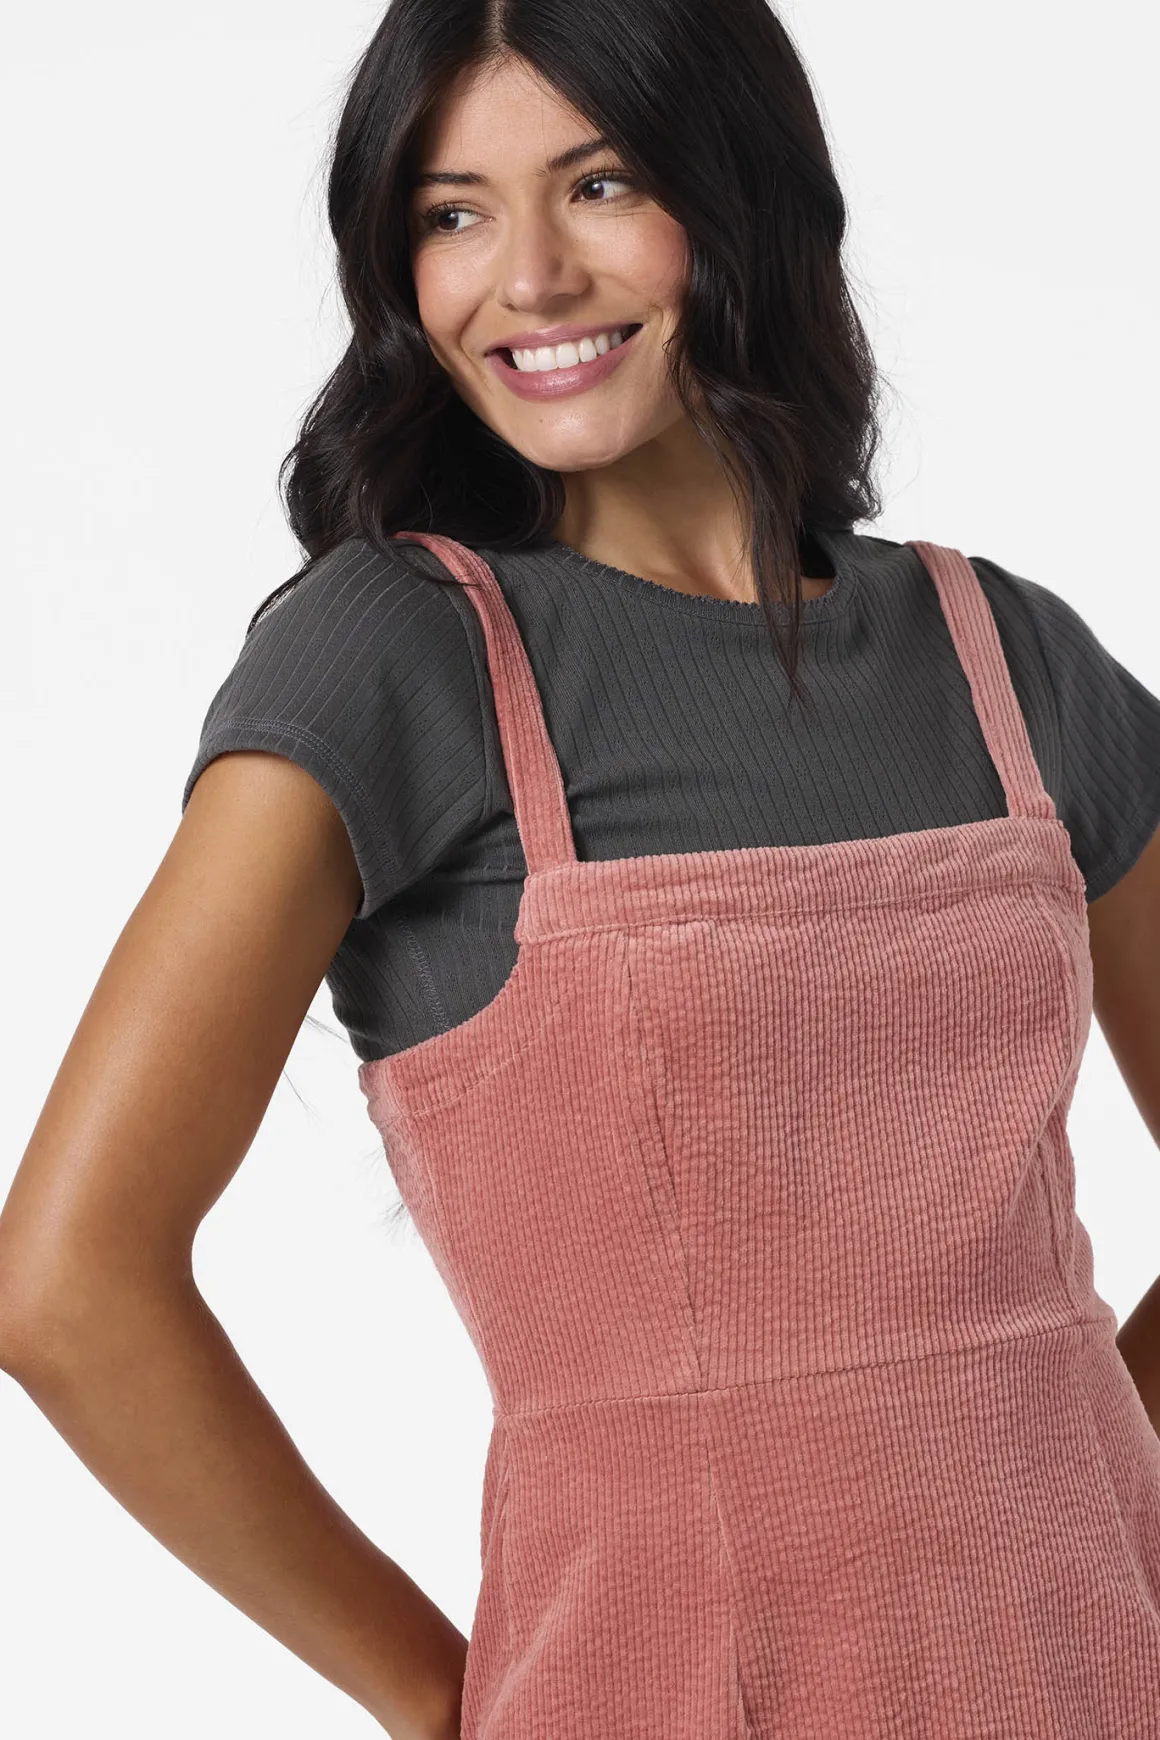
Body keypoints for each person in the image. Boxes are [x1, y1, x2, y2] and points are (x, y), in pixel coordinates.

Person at [2, 1, 1159, 1735]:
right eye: (452, 212)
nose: (528, 276)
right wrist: (434, 1696)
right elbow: (66, 1286)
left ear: (744, 193)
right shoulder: (400, 653)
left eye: (602, 184)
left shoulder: (1009, 655)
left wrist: (1085, 1478)